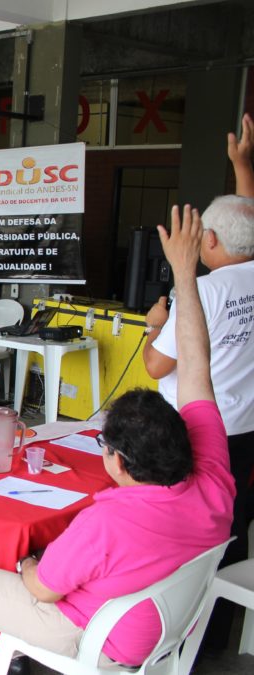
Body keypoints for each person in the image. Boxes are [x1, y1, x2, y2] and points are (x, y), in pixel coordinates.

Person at [0, 203, 234, 674]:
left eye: (103, 446)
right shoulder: (216, 480)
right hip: (163, 624)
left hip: (91, 632)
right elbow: (197, 367)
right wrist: (185, 272)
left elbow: (41, 588)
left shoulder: (108, 522)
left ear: (118, 462)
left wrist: (25, 563)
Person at [142, 117, 254, 646]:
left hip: (200, 431)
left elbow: (157, 366)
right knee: (232, 525)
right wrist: (242, 167)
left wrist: (154, 327)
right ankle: (219, 633)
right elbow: (246, 220)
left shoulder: (203, 292)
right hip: (246, 430)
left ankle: (187, 636)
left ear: (207, 240)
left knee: (189, 531)